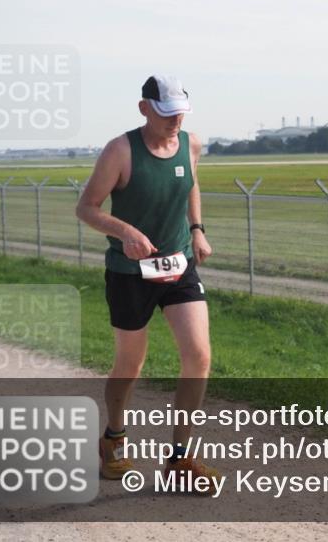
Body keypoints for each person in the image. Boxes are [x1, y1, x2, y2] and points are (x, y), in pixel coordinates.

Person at [76, 74, 220, 489]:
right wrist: (125, 232)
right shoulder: (120, 151)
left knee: (198, 355)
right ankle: (114, 440)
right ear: (144, 108)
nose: (175, 120)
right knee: (130, 363)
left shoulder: (191, 143)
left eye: (180, 113)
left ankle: (179, 459)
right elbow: (86, 208)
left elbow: (191, 184)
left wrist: (197, 229)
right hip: (129, 273)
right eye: (165, 113)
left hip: (178, 265)